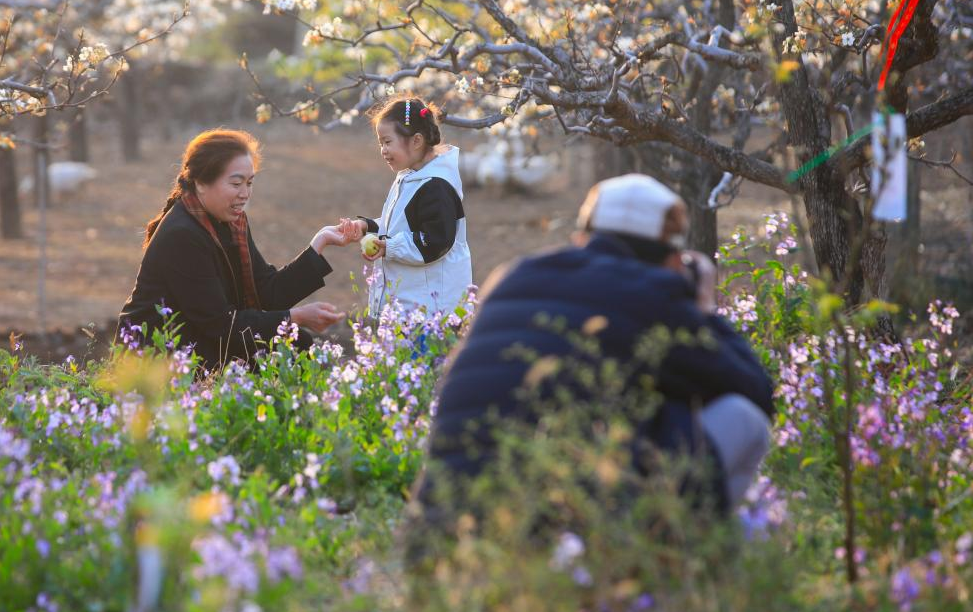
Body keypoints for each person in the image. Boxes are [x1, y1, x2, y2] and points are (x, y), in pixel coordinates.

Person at [410, 173, 775, 530]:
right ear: (674, 260)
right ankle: (691, 561)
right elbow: (754, 389)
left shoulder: (512, 275)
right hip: (564, 539)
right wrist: (703, 305)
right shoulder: (655, 290)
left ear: (581, 238)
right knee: (741, 415)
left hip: (441, 530)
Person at [118, 129, 364, 369]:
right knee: (292, 349)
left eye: (249, 183)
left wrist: (319, 243)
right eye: (236, 183)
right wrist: (294, 317)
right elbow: (221, 325)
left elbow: (267, 291)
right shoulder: (182, 235)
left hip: (202, 340)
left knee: (297, 345)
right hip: (159, 358)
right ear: (201, 183)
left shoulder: (231, 222)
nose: (245, 194)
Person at [343, 97, 472, 318]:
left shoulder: (436, 186)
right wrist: (367, 226)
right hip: (408, 306)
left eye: (387, 141)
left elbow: (436, 241)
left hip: (431, 313)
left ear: (416, 141)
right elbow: (400, 224)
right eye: (380, 143)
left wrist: (387, 247)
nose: (383, 150)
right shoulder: (411, 177)